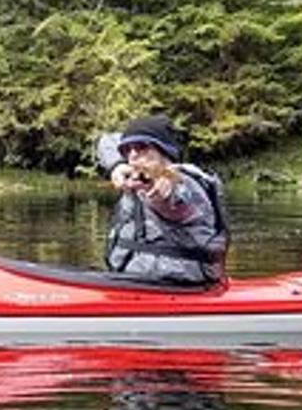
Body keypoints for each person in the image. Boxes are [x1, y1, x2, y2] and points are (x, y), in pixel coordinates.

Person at [94, 114, 227, 286]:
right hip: (132, 281)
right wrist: (117, 166)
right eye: (127, 149)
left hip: (175, 286)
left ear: (164, 152)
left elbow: (176, 196)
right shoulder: (132, 169)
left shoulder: (187, 184)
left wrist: (162, 190)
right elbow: (106, 141)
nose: (133, 154)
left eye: (142, 147)